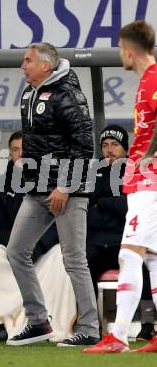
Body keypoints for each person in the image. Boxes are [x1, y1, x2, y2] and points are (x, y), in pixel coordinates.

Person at [6, 42, 100, 346]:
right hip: (37, 189)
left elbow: (85, 145)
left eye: (28, 61)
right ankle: (38, 322)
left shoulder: (68, 94)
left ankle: (89, 328)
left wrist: (65, 186)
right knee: (16, 251)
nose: (23, 65)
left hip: (68, 191)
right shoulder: (28, 94)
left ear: (46, 65)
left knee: (74, 259)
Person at [84, 20, 157, 354]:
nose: (119, 54)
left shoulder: (154, 77)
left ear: (129, 50)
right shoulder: (146, 80)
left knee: (129, 253)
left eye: (119, 48)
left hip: (150, 181)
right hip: (145, 180)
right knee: (153, 260)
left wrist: (148, 153)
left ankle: (119, 336)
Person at [0, 130, 59, 262]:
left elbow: (57, 223)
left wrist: (37, 246)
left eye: (25, 149)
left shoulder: (51, 184)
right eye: (15, 149)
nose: (21, 154)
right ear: (10, 153)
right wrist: (18, 248)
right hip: (9, 250)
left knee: (61, 255)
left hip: (44, 251)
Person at [86, 125, 128, 298]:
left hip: (123, 241)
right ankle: (88, 319)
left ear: (125, 148)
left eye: (115, 144)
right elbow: (84, 210)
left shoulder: (136, 171)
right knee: (79, 265)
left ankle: (144, 319)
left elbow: (128, 207)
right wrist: (114, 204)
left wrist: (101, 202)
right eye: (105, 145)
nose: (109, 150)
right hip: (95, 242)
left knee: (140, 262)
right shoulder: (93, 173)